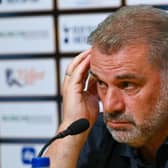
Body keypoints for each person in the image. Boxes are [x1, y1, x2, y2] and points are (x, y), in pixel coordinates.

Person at [44, 5, 168, 168]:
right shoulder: (93, 133)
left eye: (127, 85)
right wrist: (71, 124)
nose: (109, 106)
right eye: (101, 83)